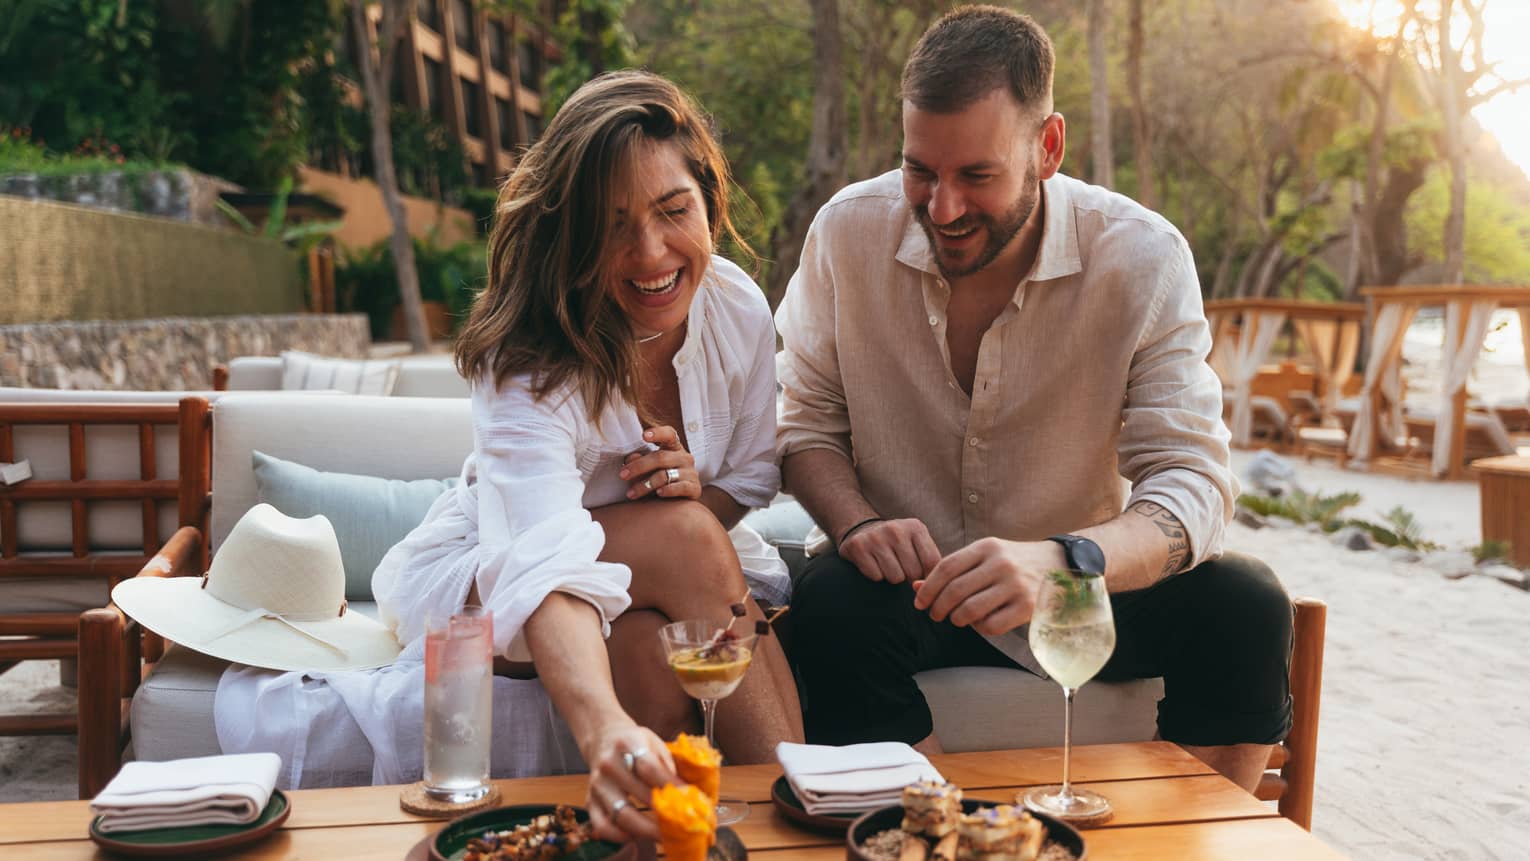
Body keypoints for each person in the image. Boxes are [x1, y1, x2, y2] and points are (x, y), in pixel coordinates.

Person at [218, 71, 803, 842]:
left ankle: (683, 833)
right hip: (500, 578)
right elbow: (541, 562)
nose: (651, 251)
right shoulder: (531, 357)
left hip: (655, 592)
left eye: (674, 210)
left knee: (656, 654)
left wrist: (694, 490)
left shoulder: (736, 308)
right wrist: (598, 729)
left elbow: (750, 478)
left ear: (709, 201)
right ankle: (799, 819)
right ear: (570, 231)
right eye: (612, 223)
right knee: (688, 537)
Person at [774, 5, 1291, 793]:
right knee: (828, 606)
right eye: (921, 170)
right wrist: (857, 522)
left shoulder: (1143, 259)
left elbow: (1194, 485)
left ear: (1047, 147)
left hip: (1082, 601)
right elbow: (801, 422)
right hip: (907, 598)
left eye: (976, 175)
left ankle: (1203, 833)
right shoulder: (845, 233)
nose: (941, 208)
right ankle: (945, 831)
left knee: (1246, 604)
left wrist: (1066, 565)